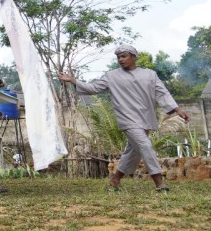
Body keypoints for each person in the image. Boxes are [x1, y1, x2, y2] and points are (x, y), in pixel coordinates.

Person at [59, 44, 191, 192]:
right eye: (118, 57)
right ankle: (159, 183)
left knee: (133, 152)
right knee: (145, 145)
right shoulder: (112, 76)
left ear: (134, 57)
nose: (120, 59)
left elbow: (162, 93)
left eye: (124, 56)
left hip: (145, 118)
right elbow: (94, 88)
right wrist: (73, 81)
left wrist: (178, 110)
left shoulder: (149, 74)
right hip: (127, 119)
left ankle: (115, 180)